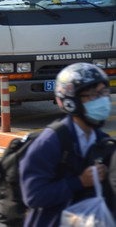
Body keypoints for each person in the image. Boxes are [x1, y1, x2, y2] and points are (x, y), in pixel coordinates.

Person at [20, 62, 111, 227]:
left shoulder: (102, 141)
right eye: (93, 95)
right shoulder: (49, 143)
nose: (102, 100)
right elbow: (33, 195)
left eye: (104, 93)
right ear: (71, 101)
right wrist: (80, 182)